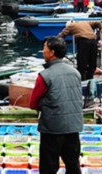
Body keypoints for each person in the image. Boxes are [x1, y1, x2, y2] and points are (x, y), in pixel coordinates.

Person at [29, 37, 83, 174]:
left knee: (49, 168)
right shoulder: (75, 73)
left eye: (45, 48)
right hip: (73, 127)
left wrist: (45, 105)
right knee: (73, 165)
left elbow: (33, 103)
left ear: (52, 52)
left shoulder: (44, 76)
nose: (43, 51)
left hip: (52, 129)